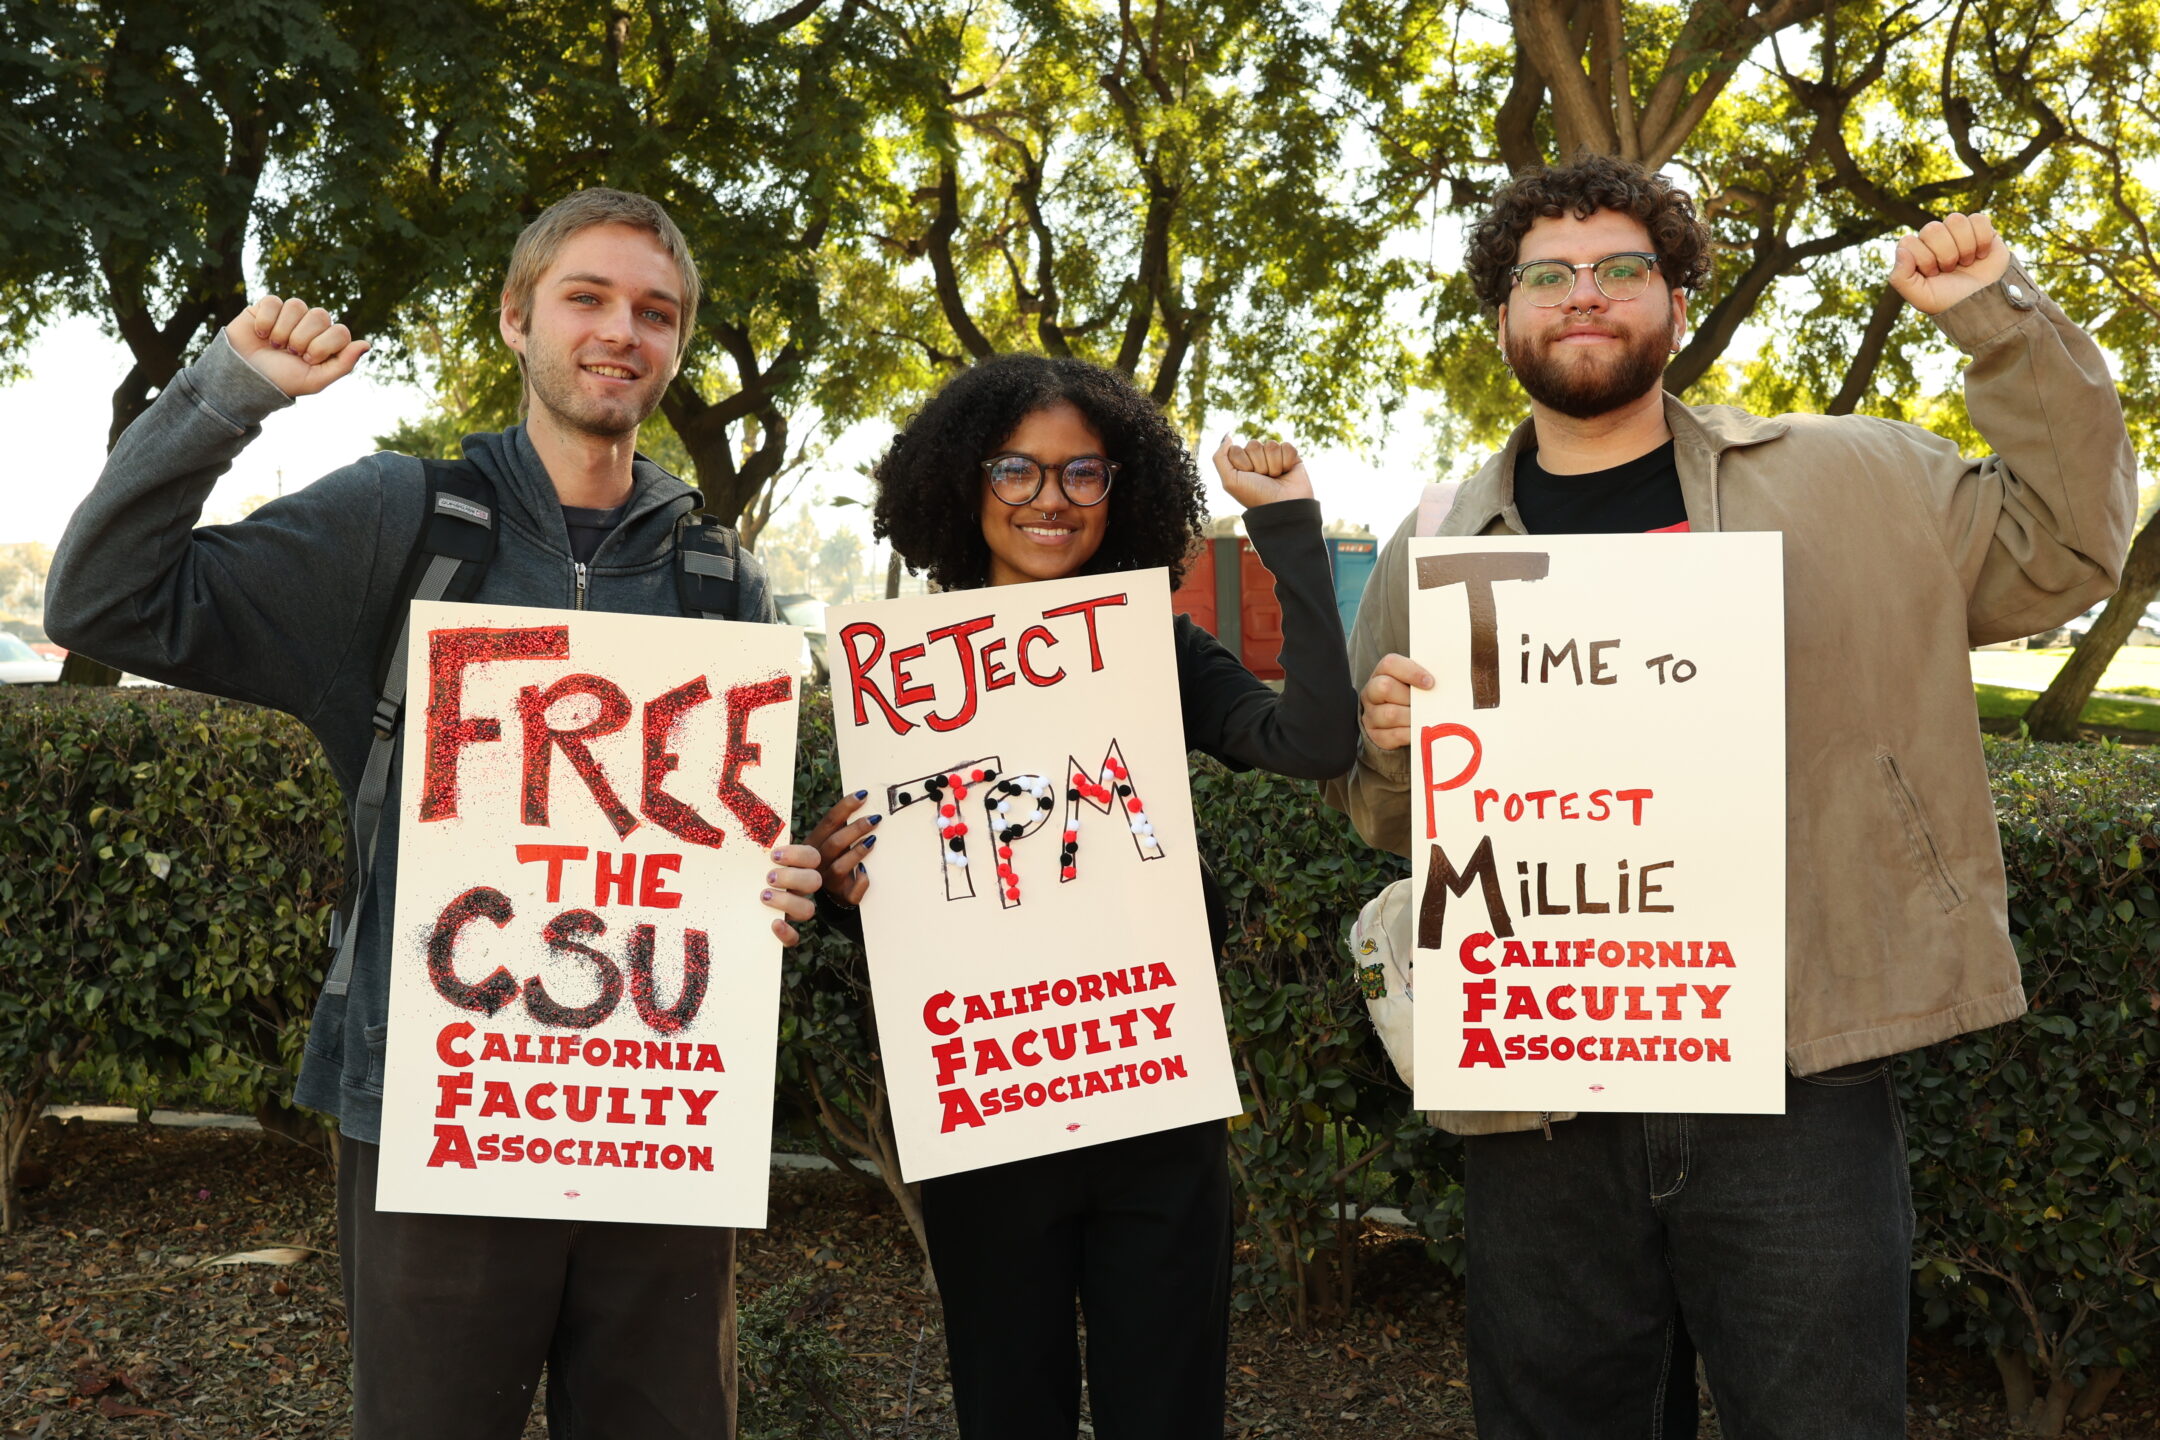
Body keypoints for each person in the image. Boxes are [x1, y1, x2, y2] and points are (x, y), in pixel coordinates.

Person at [1326, 151, 2137, 1438]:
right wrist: (1385, 751)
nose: (1584, 294)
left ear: (1675, 302)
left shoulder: (1854, 479)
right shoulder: (1432, 547)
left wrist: (1998, 317)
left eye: (1621, 269)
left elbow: (2076, 541)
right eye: (1549, 273)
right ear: (1503, 316)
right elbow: (1382, 822)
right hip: (1536, 1095)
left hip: (1791, 1078)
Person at [44, 188, 830, 1439]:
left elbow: (744, 855)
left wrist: (783, 883)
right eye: (587, 296)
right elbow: (104, 603)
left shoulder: (721, 579)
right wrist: (225, 395)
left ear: (677, 347)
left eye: (656, 311)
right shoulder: (399, 522)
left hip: (664, 1112)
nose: (622, 330)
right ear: (518, 319)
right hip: (440, 1102)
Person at [803, 352, 1359, 1438]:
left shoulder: (1157, 646)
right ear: (965, 485)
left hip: (1152, 1097)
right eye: (1016, 471)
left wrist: (1288, 521)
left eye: (1082, 474)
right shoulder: (902, 672)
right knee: (1010, 1411)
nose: (1049, 499)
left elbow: (1318, 740)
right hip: (984, 1110)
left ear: (1124, 490)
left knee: (1170, 1413)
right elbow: (892, 870)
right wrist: (835, 875)